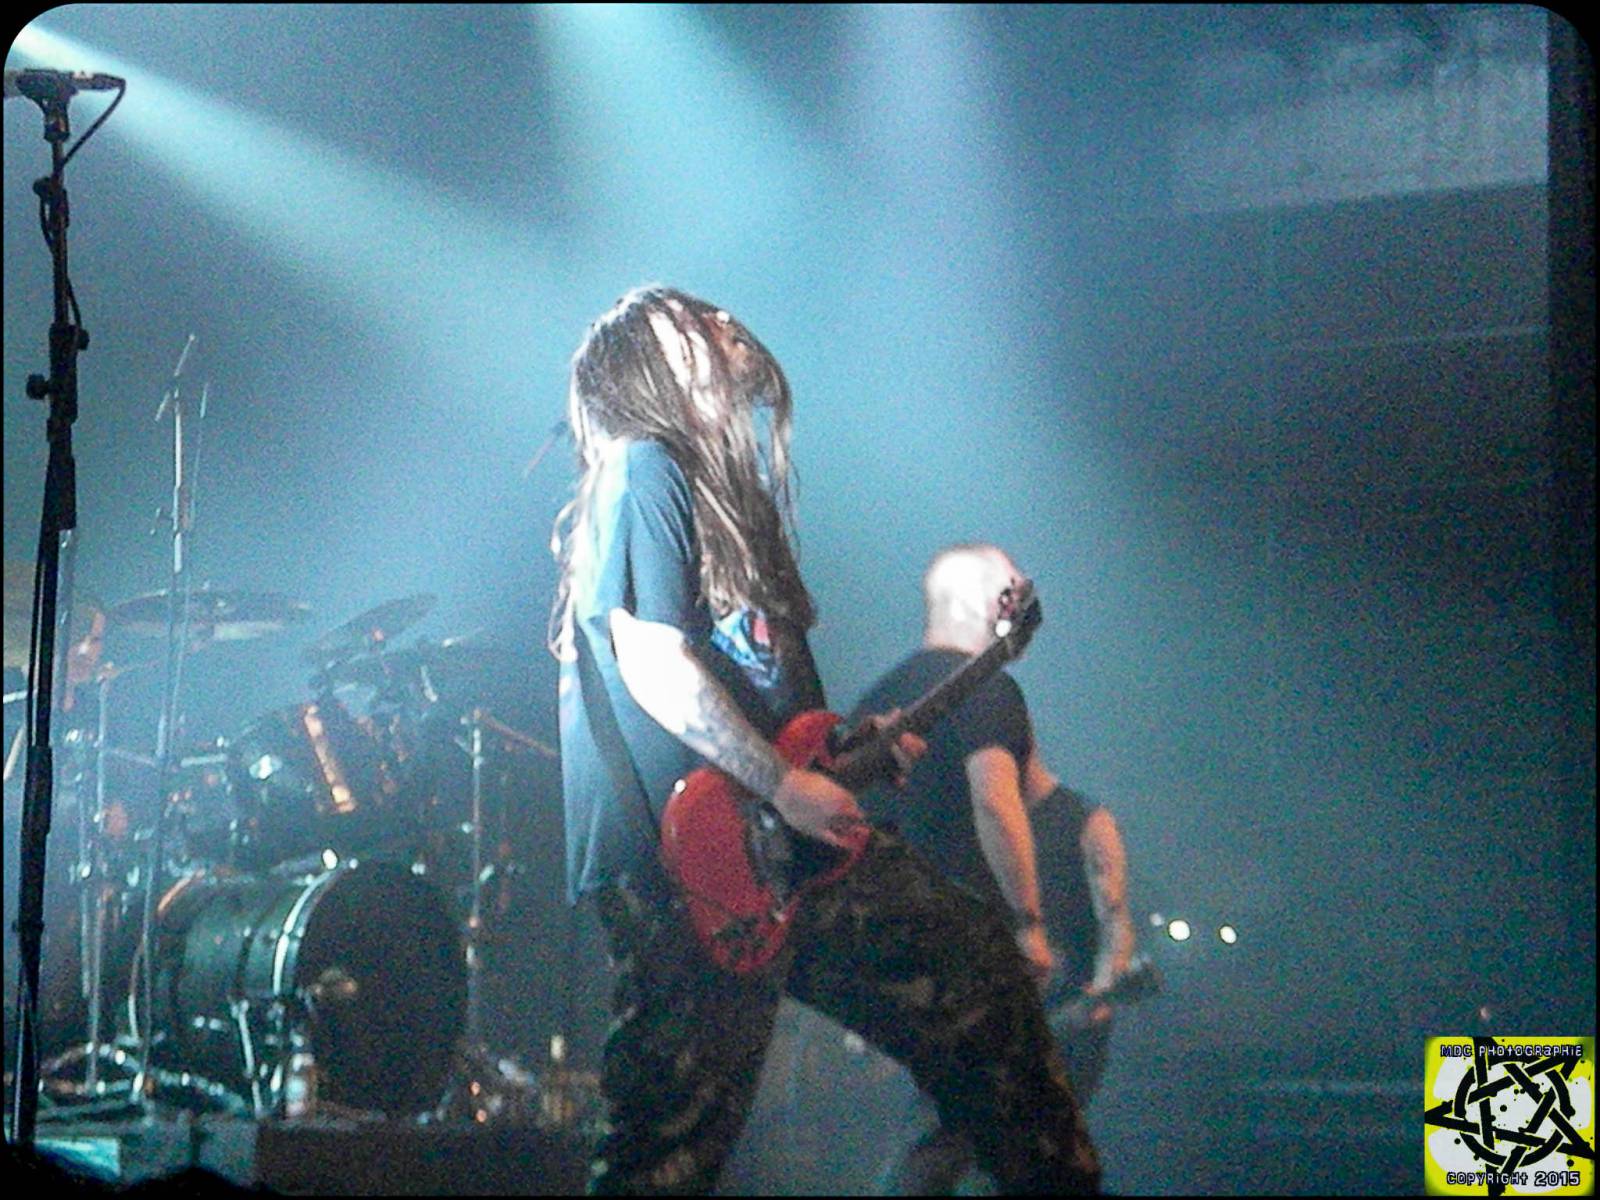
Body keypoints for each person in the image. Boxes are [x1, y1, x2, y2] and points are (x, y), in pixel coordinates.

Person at [548, 287, 1101, 1195]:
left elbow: (766, 699)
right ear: (647, 361)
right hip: (686, 864)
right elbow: (651, 658)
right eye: (694, 318)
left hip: (787, 853)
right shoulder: (642, 465)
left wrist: (847, 747)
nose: (724, 320)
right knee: (667, 1150)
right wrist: (778, 781)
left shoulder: (736, 503)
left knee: (977, 978)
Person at [849, 543, 1136, 1195]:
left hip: (893, 942)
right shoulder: (986, 686)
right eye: (1010, 586)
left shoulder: (876, 697)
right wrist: (1027, 923)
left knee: (954, 1129)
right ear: (978, 600)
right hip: (965, 941)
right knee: (1018, 1138)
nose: (1024, 600)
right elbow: (995, 800)